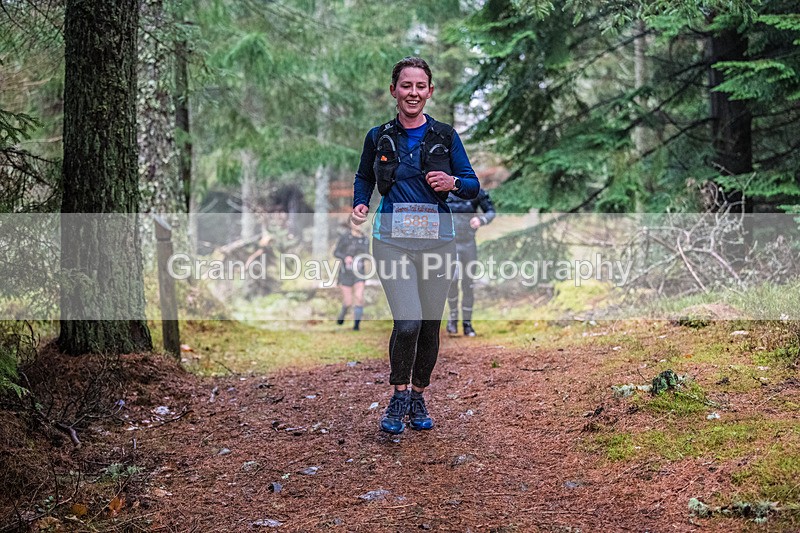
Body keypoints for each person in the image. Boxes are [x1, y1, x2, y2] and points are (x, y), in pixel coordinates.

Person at [350, 57, 479, 434]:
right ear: (394, 90)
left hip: (438, 244)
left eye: (420, 86)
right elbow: (363, 176)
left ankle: (419, 393)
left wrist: (452, 182)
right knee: (407, 322)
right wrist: (360, 202)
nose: (413, 92)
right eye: (406, 85)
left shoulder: (446, 136)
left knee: (428, 325)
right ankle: (398, 394)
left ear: (430, 91)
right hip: (391, 241)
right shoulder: (378, 136)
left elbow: (472, 184)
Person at [446, 188, 495, 336]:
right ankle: (453, 318)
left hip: (468, 243)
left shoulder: (474, 190)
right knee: (452, 280)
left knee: (468, 284)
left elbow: (491, 211)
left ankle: (467, 324)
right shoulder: (442, 189)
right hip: (448, 243)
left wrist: (481, 220)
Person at [333, 219, 369, 330]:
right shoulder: (345, 237)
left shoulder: (365, 239)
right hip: (345, 272)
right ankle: (342, 314)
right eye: (355, 221)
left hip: (359, 272)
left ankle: (356, 326)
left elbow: (367, 254)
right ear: (350, 223)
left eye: (360, 222)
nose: (358, 224)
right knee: (348, 301)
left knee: (359, 297)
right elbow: (336, 252)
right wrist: (345, 257)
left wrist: (361, 258)